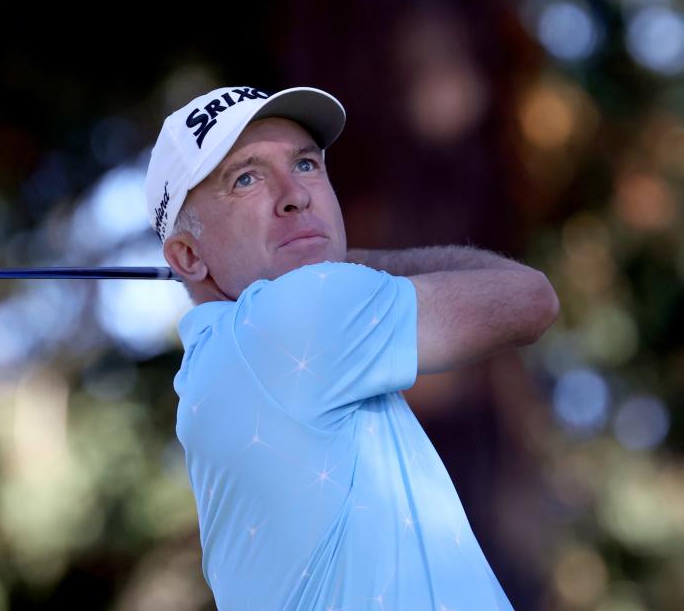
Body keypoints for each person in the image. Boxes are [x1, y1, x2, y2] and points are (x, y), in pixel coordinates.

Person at [142, 85, 559, 610]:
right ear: (186, 255)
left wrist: (344, 265)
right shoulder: (295, 319)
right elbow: (531, 299)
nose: (296, 194)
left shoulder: (217, 362)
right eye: (244, 179)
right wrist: (359, 264)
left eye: (306, 164)